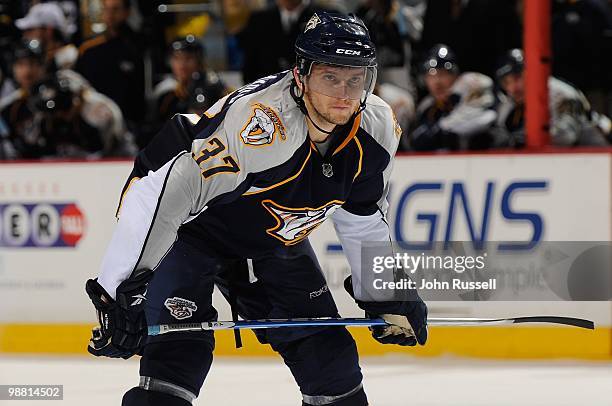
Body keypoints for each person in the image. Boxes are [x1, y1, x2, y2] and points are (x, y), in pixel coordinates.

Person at [85, 12, 428, 406]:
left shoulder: (376, 128)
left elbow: (363, 219)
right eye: (330, 77)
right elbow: (160, 194)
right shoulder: (261, 127)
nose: (344, 93)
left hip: (272, 239)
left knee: (330, 360)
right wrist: (119, 295)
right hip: (191, 231)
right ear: (300, 74)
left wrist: (387, 294)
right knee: (178, 356)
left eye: (356, 78)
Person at [495, 48, 611, 147]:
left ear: (532, 72)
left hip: (597, 156)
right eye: (506, 82)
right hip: (553, 163)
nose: (513, 88)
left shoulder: (560, 93)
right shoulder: (508, 102)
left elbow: (566, 136)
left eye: (517, 78)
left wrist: (520, 140)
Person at [409, 44, 498, 150]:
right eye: (431, 75)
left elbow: (486, 117)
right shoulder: (426, 106)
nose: (437, 82)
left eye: (442, 74)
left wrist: (441, 129)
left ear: (455, 75)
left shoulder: (469, 85)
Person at [76, 0, 145, 128]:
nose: (110, 14)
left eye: (115, 9)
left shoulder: (139, 47)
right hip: (93, 123)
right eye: (106, 9)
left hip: (129, 124)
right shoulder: (88, 48)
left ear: (127, 12)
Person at [237, 0, 329, 84]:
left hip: (310, 93)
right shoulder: (258, 19)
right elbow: (250, 65)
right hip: (266, 94)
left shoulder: (327, 18)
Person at [153, 36, 228, 127]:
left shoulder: (213, 84)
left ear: (199, 60)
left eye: (188, 58)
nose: (182, 64)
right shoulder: (166, 90)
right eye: (177, 58)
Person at [0, 39, 45, 159]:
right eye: (21, 64)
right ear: (13, 69)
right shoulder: (7, 106)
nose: (27, 71)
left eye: (32, 63)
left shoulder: (58, 92)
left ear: (42, 67)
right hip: (20, 167)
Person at [15, 2, 79, 71]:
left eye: (31, 29)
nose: (26, 35)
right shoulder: (47, 58)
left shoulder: (69, 59)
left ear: (48, 30)